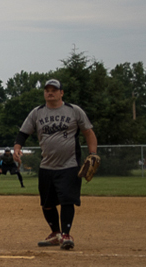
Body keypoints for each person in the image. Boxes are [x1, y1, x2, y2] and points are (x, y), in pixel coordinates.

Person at [16, 78, 97, 251]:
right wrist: (17, 148)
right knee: (47, 203)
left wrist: (93, 154)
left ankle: (66, 235)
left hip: (70, 164)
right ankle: (55, 234)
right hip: (47, 165)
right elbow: (23, 133)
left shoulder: (74, 111)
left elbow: (88, 132)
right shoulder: (37, 113)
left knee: (67, 199)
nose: (50, 92)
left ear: (62, 93)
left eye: (54, 89)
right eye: (47, 90)